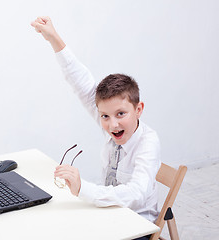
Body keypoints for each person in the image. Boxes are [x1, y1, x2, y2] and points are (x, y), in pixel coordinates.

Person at [31, 16, 161, 234]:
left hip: (136, 225)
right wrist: (54, 39)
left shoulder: (148, 142)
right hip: (106, 213)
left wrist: (84, 188)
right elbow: (80, 81)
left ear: (138, 110)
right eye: (105, 116)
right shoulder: (112, 126)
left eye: (121, 113)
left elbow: (137, 193)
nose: (113, 124)